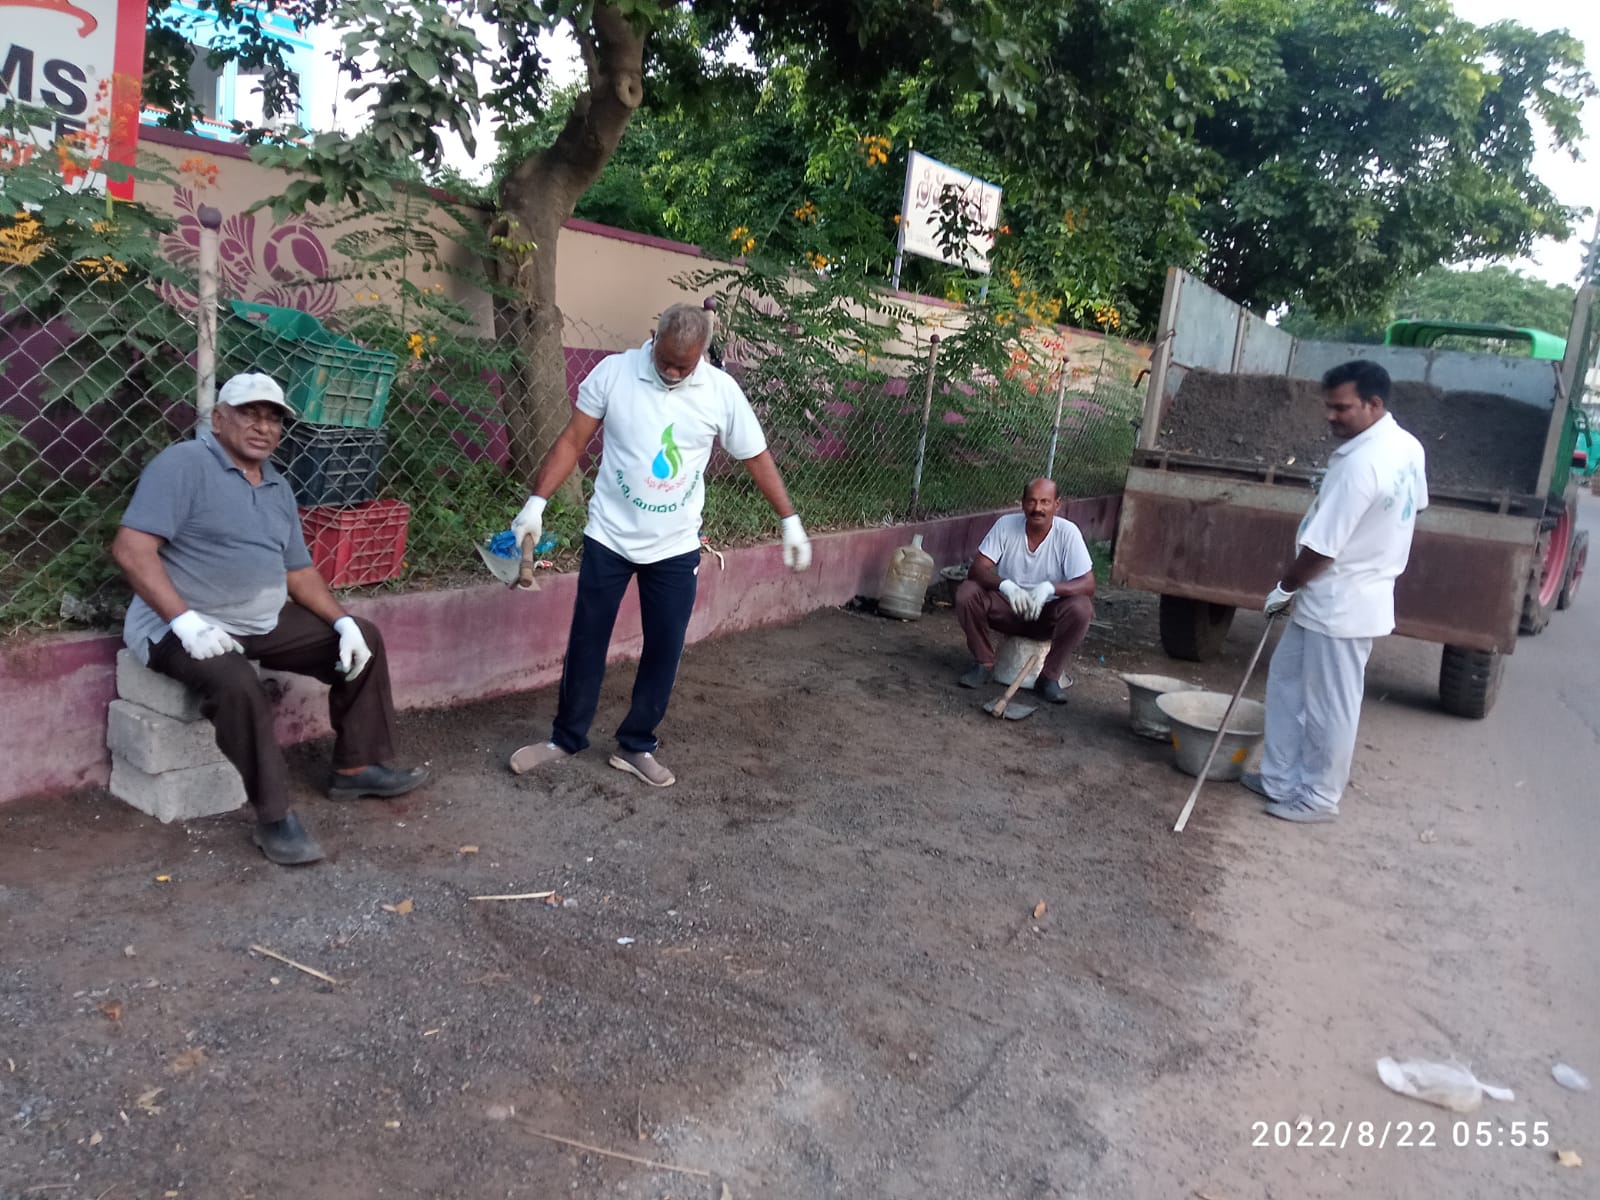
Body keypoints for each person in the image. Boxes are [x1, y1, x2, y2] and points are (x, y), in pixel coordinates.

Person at [111, 373, 429, 866]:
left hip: (259, 622)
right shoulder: (184, 464)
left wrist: (342, 622)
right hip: (180, 628)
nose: (263, 427)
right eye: (250, 414)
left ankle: (357, 768)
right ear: (219, 419)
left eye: (274, 418)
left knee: (363, 639)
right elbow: (131, 550)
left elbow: (298, 572)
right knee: (237, 682)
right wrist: (185, 622)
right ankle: (275, 817)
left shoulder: (277, 484)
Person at [506, 303, 811, 787]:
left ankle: (636, 744)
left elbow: (755, 456)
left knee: (665, 646)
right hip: (608, 534)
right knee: (587, 639)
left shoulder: (720, 392)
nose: (671, 372)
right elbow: (573, 440)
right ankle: (565, 737)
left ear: (703, 353)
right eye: (664, 360)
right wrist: (536, 503)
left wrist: (789, 520)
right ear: (654, 337)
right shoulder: (616, 373)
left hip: (675, 545)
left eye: (682, 366)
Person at [1244, 360, 1427, 823]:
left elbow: (1323, 548)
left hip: (1343, 603)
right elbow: (1416, 505)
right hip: (1330, 597)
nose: (1331, 416)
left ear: (1374, 404)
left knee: (1330, 706)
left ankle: (1319, 797)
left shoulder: (1362, 464)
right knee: (1286, 682)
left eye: (1341, 408)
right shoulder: (1407, 445)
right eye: (1329, 406)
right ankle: (1279, 778)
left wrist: (1285, 587)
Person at [955, 478, 1095, 703]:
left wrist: (1050, 588)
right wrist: (1006, 586)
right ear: (1022, 503)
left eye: (1045, 502)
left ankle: (1049, 677)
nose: (1037, 508)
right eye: (1031, 501)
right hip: (1009, 609)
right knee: (967, 592)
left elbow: (1088, 584)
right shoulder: (1005, 525)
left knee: (1082, 608)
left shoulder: (1068, 533)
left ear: (1057, 505)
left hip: (1047, 615)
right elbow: (977, 569)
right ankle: (984, 663)